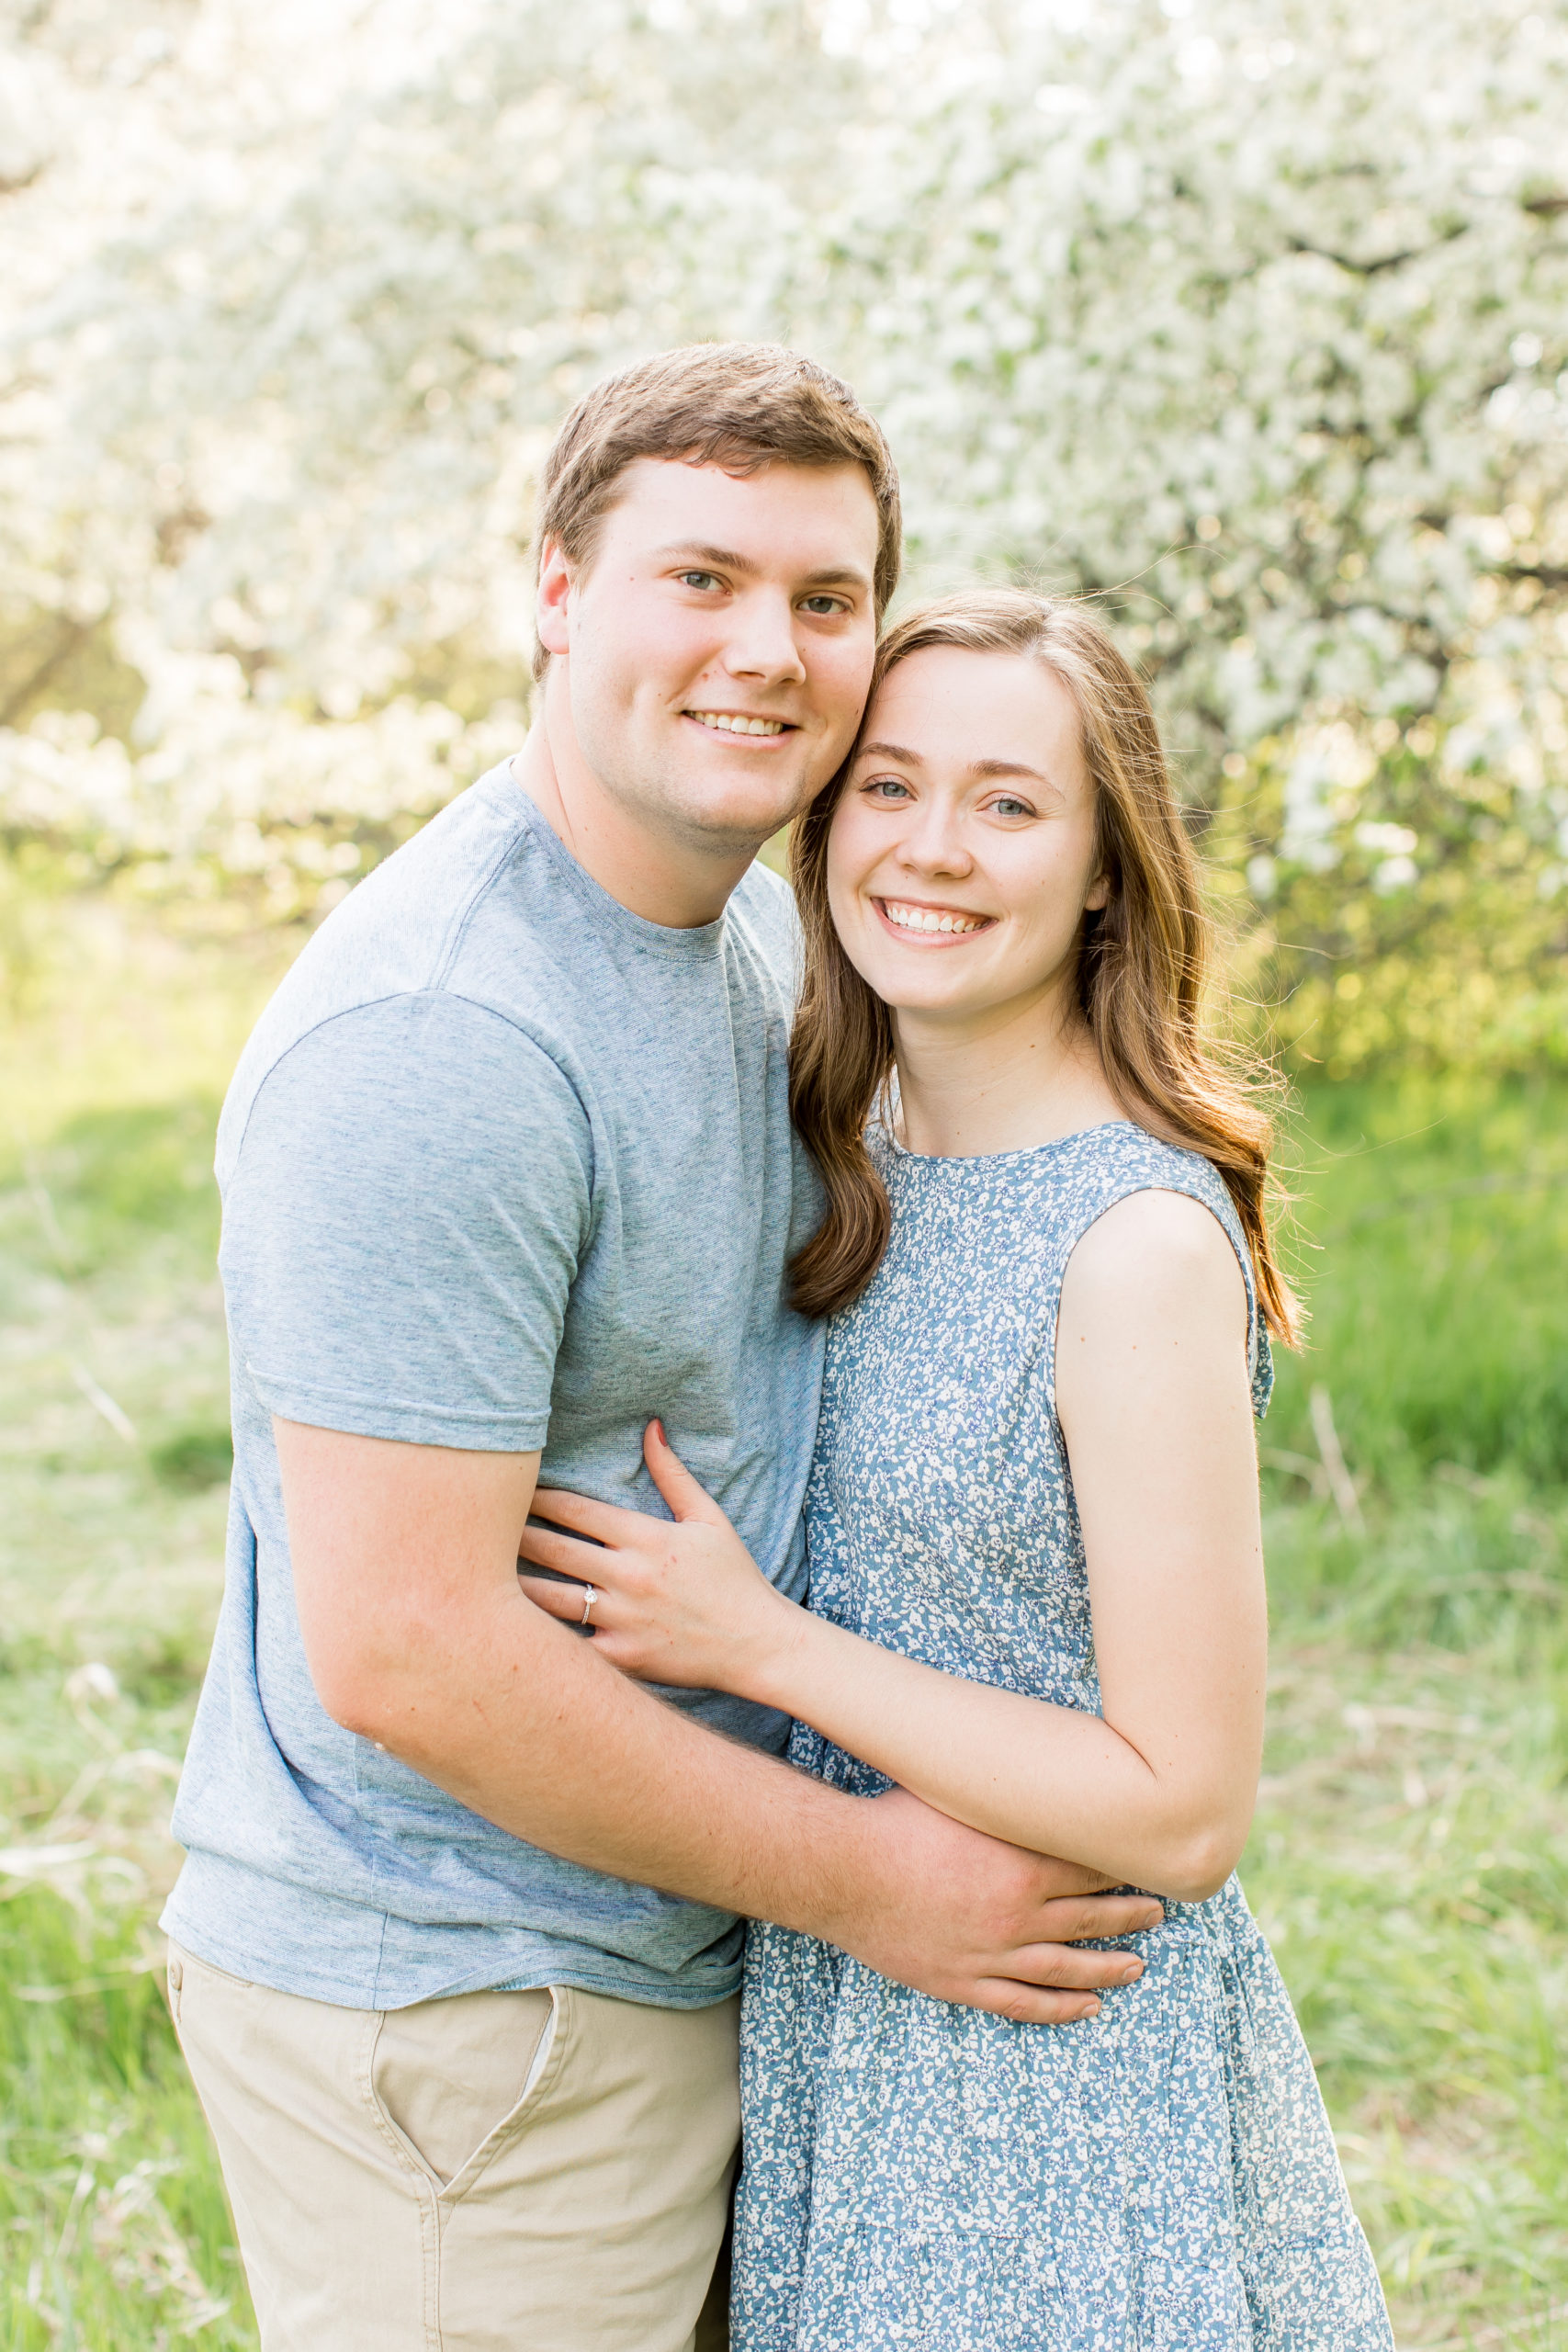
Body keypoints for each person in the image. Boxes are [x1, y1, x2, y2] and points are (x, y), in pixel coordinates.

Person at [159, 353, 1157, 2352]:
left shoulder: (766, 936)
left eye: (821, 596)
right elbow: (405, 1648)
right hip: (470, 2010)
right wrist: (869, 1877)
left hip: (681, 1953)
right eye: (698, 577)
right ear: (554, 589)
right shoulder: (440, 1042)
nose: (765, 650)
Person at [516, 590, 1396, 2346]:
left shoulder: (1130, 1243)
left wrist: (758, 1645)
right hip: (846, 2012)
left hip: (1045, 2067)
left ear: (1104, 869)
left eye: (1009, 803)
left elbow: (1184, 1805)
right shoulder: (841, 1156)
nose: (933, 848)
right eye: (890, 786)